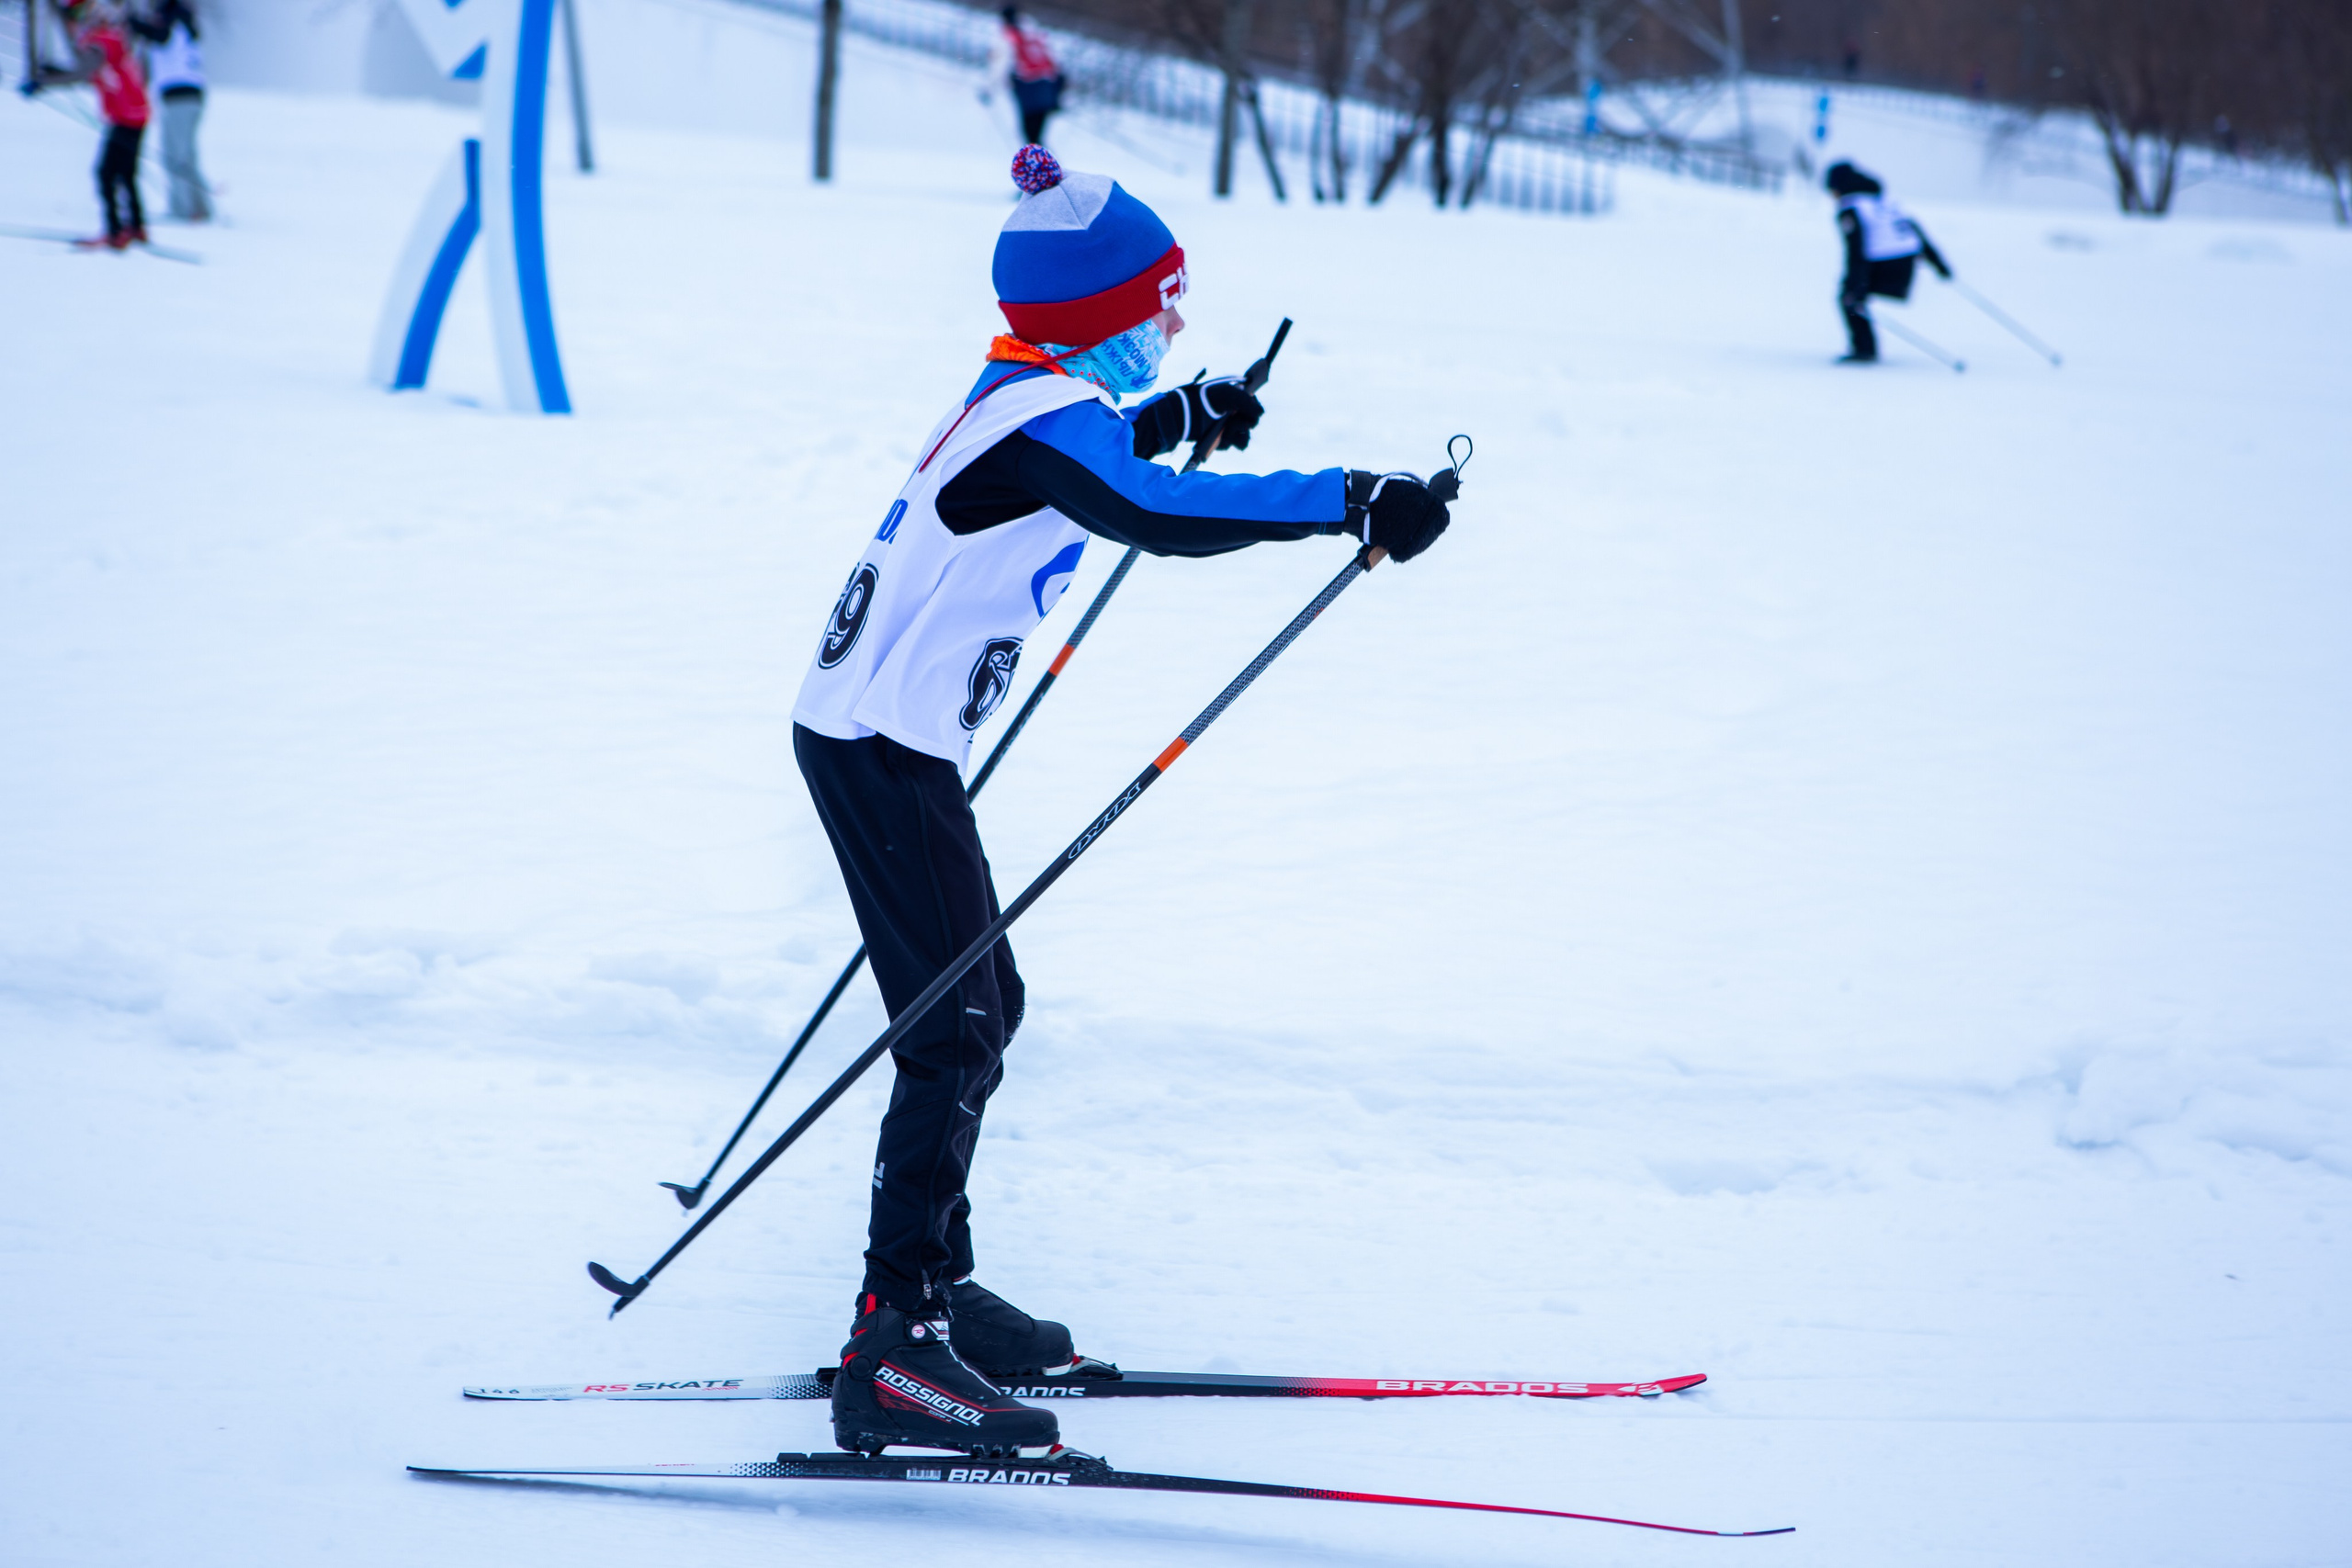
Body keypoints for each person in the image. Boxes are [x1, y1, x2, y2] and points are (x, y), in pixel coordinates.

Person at [795, 144, 1457, 1458]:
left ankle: (937, 1293)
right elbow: (1140, 505)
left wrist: (1180, 408)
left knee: (984, 1006)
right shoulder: (1046, 422)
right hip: (877, 745)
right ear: (1098, 311)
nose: (1173, 327)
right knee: (954, 1030)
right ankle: (894, 1342)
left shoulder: (1024, 392)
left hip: (883, 740)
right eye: (1162, 306)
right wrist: (1347, 500)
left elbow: (1099, 456)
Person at [28, 0, 151, 249]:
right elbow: (86, 70)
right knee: (125, 173)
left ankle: (115, 232)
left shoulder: (100, 41)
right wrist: (52, 73)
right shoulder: (106, 38)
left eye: (71, 18)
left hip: (127, 117)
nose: (70, 25)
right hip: (133, 114)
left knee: (106, 173)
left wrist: (44, 82)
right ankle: (136, 227)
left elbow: (82, 72)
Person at [1826, 161, 1951, 365]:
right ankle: (1865, 348)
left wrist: (1854, 285)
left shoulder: (1851, 207)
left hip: (1883, 261)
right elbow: (1913, 230)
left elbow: (1856, 250)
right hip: (1905, 261)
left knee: (1850, 298)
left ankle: (1864, 350)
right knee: (1854, 296)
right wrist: (1939, 264)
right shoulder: (1883, 202)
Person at [130, 0, 208, 222]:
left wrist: (132, 22)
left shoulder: (172, 25)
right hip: (192, 96)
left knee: (175, 156)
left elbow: (156, 34)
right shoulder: (185, 25)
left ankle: (182, 210)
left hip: (178, 97)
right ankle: (201, 207)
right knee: (187, 155)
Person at [995, 6, 1064, 147]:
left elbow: (1001, 63)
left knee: (1030, 136)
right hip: (1047, 87)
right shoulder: (1034, 32)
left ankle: (1039, 159)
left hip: (1028, 89)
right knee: (1037, 136)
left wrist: (989, 89)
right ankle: (1044, 158)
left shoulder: (1011, 35)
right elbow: (1053, 60)